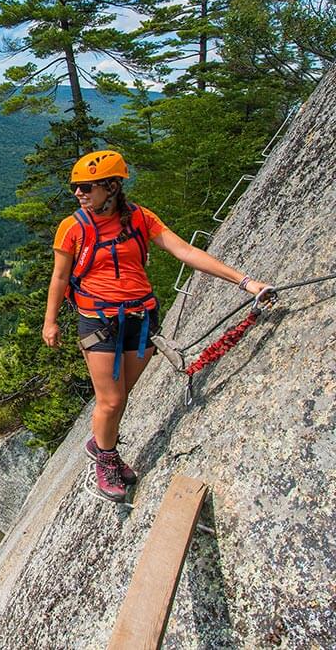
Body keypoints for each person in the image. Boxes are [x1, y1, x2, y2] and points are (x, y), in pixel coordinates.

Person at [41, 150, 271, 502]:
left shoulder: (139, 219)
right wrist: (51, 321)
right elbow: (59, 276)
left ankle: (100, 439)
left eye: (87, 187)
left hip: (142, 317)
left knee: (120, 396)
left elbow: (186, 252)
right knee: (113, 399)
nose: (79, 193)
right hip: (99, 321)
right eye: (77, 187)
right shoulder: (72, 228)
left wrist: (245, 282)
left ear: (113, 186)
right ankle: (106, 458)